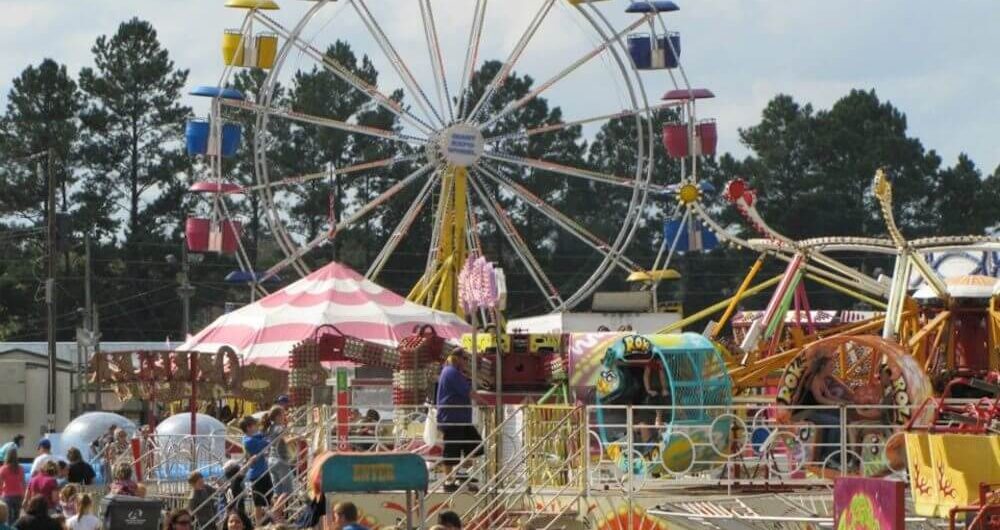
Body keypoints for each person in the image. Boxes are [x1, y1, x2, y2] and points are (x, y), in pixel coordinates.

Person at [435, 351, 482, 493]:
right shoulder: (451, 372)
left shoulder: (453, 372)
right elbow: (468, 392)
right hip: (452, 418)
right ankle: (449, 481)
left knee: (475, 446)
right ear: (458, 359)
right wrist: (487, 402)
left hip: (461, 418)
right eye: (465, 359)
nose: (467, 362)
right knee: (451, 452)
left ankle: (462, 474)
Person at [797, 355, 854, 466]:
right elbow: (820, 398)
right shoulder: (814, 379)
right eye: (831, 365)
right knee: (837, 423)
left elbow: (829, 396)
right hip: (808, 413)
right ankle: (829, 457)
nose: (833, 367)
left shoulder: (822, 379)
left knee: (844, 418)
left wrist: (845, 402)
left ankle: (842, 456)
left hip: (817, 411)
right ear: (823, 367)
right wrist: (836, 404)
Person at [240, 416, 272, 525]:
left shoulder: (252, 437)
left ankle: (269, 520)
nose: (256, 427)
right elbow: (264, 443)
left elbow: (261, 436)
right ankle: (258, 524)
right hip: (257, 475)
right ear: (248, 427)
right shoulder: (248, 441)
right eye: (254, 425)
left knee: (269, 498)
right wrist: (268, 436)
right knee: (258, 503)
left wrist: (266, 429)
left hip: (263, 471)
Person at [263, 407, 294, 497]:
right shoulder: (279, 428)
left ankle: (277, 510)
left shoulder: (271, 428)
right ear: (278, 416)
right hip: (281, 460)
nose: (285, 416)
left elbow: (281, 436)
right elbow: (286, 440)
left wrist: (287, 424)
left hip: (272, 460)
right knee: (288, 491)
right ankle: (276, 510)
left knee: (278, 492)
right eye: (283, 414)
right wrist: (301, 437)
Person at [0, 449, 24, 524]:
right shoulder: (20, 468)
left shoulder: (3, 469)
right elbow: (23, 482)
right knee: (17, 517)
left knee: (8, 518)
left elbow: (0, 484)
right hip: (18, 495)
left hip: (7, 495)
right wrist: (24, 494)